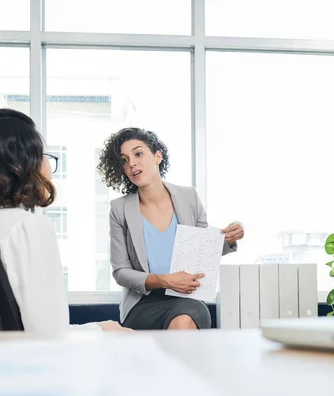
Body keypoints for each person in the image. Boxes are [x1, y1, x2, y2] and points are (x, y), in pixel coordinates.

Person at [0, 108, 129, 333]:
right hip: (16, 363)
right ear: (26, 164)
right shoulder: (27, 226)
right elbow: (49, 337)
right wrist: (103, 331)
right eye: (44, 156)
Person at [97, 128, 244, 330]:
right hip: (143, 303)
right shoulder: (119, 209)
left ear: (158, 156)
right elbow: (121, 272)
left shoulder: (188, 197)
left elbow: (204, 246)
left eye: (138, 154)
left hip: (186, 298)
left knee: (185, 319)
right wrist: (164, 281)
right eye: (124, 160)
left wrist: (229, 238)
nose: (131, 163)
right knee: (183, 322)